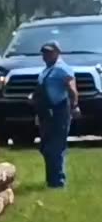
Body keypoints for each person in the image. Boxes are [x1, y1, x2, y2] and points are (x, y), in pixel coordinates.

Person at [32, 40, 81, 189]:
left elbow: (72, 89)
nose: (45, 56)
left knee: (56, 147)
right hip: (46, 113)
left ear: (57, 53)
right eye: (44, 53)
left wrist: (75, 106)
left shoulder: (62, 69)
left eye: (49, 52)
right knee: (45, 147)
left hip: (59, 112)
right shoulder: (46, 70)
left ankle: (58, 182)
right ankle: (51, 181)